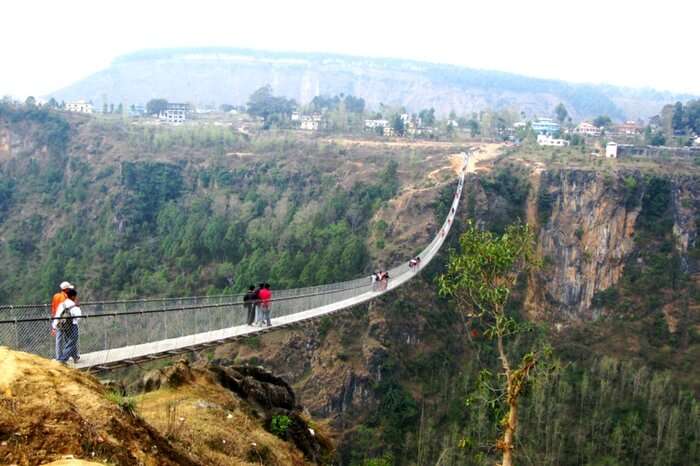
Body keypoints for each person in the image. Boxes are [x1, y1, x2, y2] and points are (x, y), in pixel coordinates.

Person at [53, 288, 82, 363]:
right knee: (72, 342)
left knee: (68, 341)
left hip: (62, 325)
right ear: (73, 297)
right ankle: (62, 359)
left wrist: (54, 326)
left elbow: (57, 315)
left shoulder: (62, 304)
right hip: (72, 325)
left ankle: (74, 356)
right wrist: (78, 307)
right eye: (75, 296)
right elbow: (78, 317)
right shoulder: (73, 305)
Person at [51, 281, 73, 358]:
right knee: (70, 338)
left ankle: (59, 357)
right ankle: (74, 356)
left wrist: (54, 322)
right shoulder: (67, 298)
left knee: (59, 339)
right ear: (66, 289)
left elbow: (53, 309)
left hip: (57, 320)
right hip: (66, 320)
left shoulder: (56, 296)